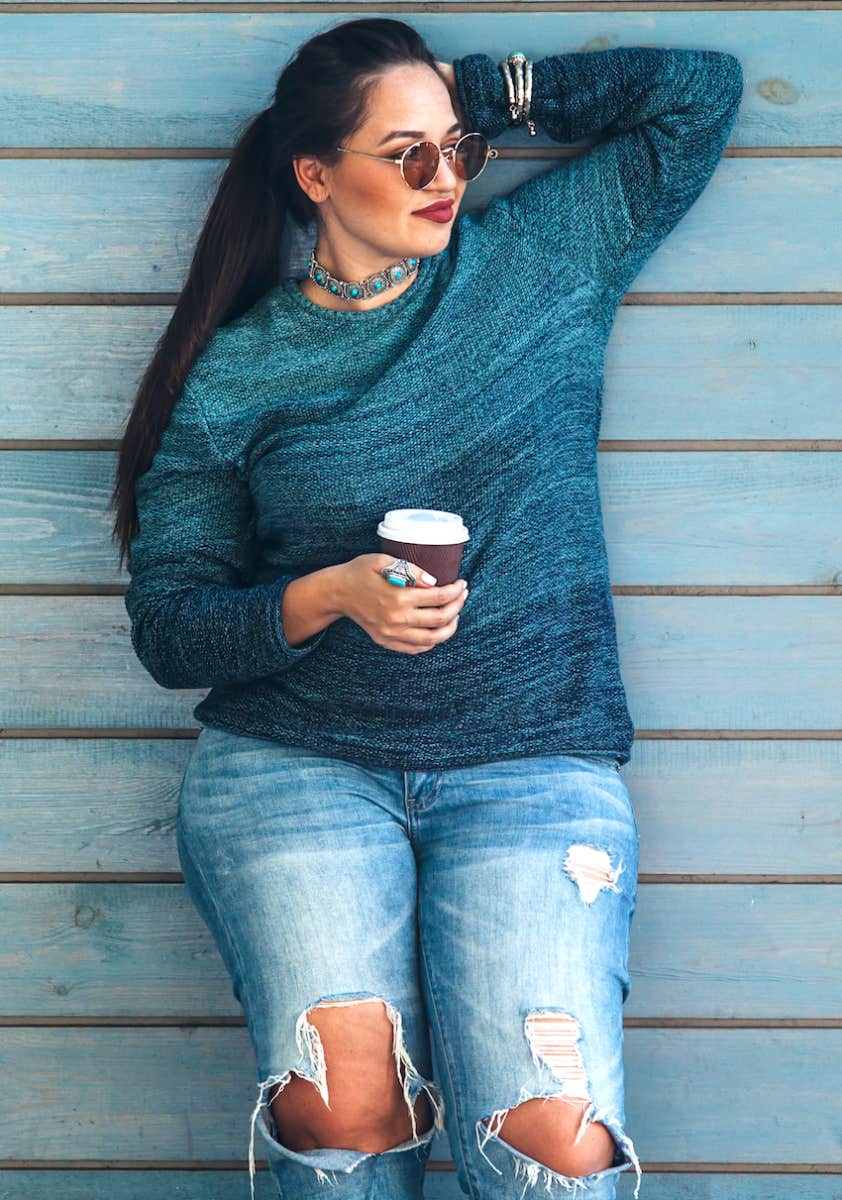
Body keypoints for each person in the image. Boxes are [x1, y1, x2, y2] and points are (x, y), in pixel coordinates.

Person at [111, 17, 743, 1200]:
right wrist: (322, 597)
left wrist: (476, 94)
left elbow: (697, 94)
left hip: (530, 763)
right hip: (295, 769)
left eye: (457, 150)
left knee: (554, 1148)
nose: (443, 176)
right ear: (314, 175)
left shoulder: (542, 262)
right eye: (404, 154)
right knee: (346, 1118)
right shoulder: (236, 371)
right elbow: (172, 627)